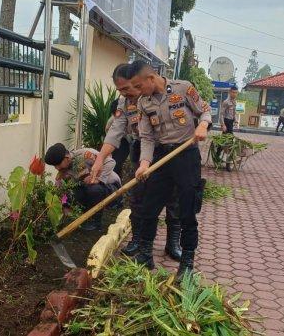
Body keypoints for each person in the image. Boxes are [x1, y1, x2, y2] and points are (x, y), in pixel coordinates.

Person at [90, 64, 183, 261]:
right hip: (141, 150)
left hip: (169, 151)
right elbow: (115, 131)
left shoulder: (160, 94)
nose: (124, 94)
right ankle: (138, 240)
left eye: (127, 88)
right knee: (139, 197)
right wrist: (100, 159)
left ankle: (173, 243)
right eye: (120, 90)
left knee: (174, 198)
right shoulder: (125, 103)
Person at [129, 60, 211, 280]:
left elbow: (204, 111)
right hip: (162, 157)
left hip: (186, 155)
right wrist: (145, 163)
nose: (137, 92)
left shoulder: (183, 88)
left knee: (187, 209)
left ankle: (187, 262)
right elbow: (146, 137)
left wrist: (203, 125)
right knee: (148, 206)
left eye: (138, 86)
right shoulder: (143, 103)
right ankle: (145, 254)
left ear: (150, 77)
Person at [44, 143, 121, 231]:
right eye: (54, 166)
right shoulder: (63, 172)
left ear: (67, 158)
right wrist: (64, 205)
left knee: (94, 188)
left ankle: (95, 223)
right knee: (74, 191)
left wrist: (98, 178)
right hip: (90, 190)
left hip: (111, 187)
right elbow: (60, 190)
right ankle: (85, 218)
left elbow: (111, 162)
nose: (56, 168)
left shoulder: (85, 154)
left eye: (57, 164)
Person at [106, 98, 131, 179]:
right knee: (116, 163)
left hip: (131, 140)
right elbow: (107, 130)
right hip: (120, 140)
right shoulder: (112, 120)